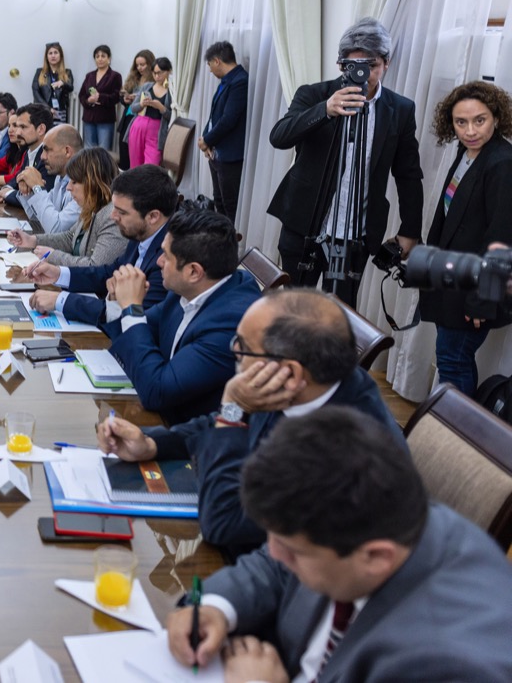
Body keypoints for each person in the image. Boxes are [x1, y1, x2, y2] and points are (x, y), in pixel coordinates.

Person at [165, 407, 512, 682]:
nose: (272, 552)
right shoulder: (363, 524)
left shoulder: (451, 665)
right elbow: (275, 566)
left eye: (292, 550)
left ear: (375, 558)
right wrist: (213, 607)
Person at [99, 288, 405, 557]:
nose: (233, 351)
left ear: (292, 374)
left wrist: (234, 411)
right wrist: (153, 444)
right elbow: (222, 422)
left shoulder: (347, 456)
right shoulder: (303, 384)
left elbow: (223, 523)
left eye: (242, 346)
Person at [268, 17, 424, 305]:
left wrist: (410, 230)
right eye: (352, 66)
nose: (362, 74)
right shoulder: (314, 94)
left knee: (339, 316)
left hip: (357, 232)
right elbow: (279, 137)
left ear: (386, 63)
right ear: (341, 65)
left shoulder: (400, 110)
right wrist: (325, 110)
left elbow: (408, 174)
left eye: (371, 65)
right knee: (292, 308)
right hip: (305, 224)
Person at [82, 208, 260, 424]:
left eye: (165, 255)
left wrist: (131, 307)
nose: (158, 262)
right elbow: (128, 335)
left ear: (194, 272)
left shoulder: (230, 324)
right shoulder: (186, 290)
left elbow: (157, 392)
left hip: (190, 438)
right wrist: (115, 302)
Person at [418, 81, 512, 395]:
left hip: (474, 287)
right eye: (461, 122)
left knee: (453, 359)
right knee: (453, 358)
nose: (470, 130)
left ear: (496, 118)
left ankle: (456, 439)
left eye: (479, 120)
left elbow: (502, 236)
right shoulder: (468, 151)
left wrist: (482, 299)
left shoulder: (502, 163)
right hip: (455, 277)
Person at [27, 164, 177, 324]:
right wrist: (58, 274)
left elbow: (134, 315)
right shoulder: (141, 233)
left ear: (153, 216)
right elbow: (109, 273)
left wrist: (62, 301)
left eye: (122, 212)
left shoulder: (168, 258)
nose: (113, 216)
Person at [7, 146, 126, 269]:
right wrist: (31, 240)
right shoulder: (91, 206)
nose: (68, 187)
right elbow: (70, 238)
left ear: (93, 183)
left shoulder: (112, 217)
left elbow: (96, 266)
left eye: (74, 182)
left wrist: (53, 256)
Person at [199, 41, 249, 223]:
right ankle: (219, 240)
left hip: (230, 154)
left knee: (230, 204)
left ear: (217, 61)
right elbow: (215, 115)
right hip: (216, 152)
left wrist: (207, 140)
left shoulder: (240, 81)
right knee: (218, 199)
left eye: (210, 65)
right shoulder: (226, 81)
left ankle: (229, 244)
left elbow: (228, 119)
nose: (210, 70)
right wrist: (205, 140)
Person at [13, 123, 83, 232]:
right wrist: (28, 191)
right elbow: (39, 218)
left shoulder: (84, 183)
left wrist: (38, 188)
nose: (42, 156)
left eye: (47, 150)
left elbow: (56, 229)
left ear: (67, 151)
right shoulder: (61, 178)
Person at [0, 103, 55, 190]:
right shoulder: (28, 152)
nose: (16, 132)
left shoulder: (48, 158)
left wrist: (6, 193)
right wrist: (5, 190)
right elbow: (16, 179)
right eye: (9, 126)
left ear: (41, 129)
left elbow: (33, 195)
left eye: (22, 127)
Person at [128, 56, 172, 167]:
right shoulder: (147, 86)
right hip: (139, 125)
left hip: (156, 130)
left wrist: (161, 107)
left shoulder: (172, 91)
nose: (157, 76)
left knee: (152, 166)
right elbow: (133, 108)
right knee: (135, 164)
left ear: (169, 71)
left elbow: (171, 116)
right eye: (154, 73)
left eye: (160, 73)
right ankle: (135, 184)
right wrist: (142, 104)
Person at [79, 44, 124, 148]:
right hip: (89, 118)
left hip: (105, 119)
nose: (100, 59)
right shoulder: (89, 75)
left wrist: (100, 97)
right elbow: (82, 95)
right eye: (97, 56)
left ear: (109, 58)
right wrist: (88, 101)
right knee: (88, 150)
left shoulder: (115, 76)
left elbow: (116, 97)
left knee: (103, 151)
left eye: (103, 56)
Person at [119, 49, 156, 170]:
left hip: (141, 119)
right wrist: (125, 99)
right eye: (137, 65)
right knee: (124, 151)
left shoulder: (154, 82)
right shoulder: (133, 79)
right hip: (128, 118)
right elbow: (122, 98)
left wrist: (138, 99)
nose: (140, 68)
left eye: (143, 64)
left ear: (150, 64)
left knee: (136, 155)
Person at [32, 41, 74, 123]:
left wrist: (63, 83)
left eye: (56, 53)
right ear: (46, 57)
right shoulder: (39, 72)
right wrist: (47, 108)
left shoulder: (67, 72)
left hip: (60, 112)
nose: (53, 56)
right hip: (43, 111)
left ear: (60, 55)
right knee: (44, 134)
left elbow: (70, 87)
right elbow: (35, 92)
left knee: (59, 134)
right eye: (50, 53)